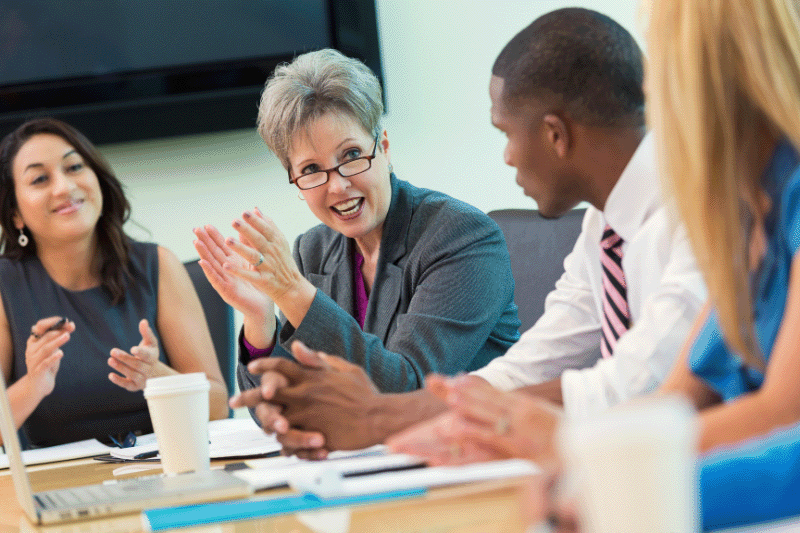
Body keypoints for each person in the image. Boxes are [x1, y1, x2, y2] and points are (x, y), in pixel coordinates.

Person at [229, 8, 706, 458]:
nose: (506, 157)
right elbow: (532, 364)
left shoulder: (702, 210)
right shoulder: (604, 227)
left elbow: (636, 381)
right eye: (311, 170)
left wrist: (381, 415)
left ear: (555, 135)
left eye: (504, 133)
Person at [414, 0, 800, 530]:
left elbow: (784, 418)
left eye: (663, 73)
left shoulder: (765, 200)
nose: (651, 101)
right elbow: (679, 395)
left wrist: (592, 458)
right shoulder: (756, 203)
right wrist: (575, 458)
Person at [192, 48, 521, 404]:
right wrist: (260, 317)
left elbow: (406, 390)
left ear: (384, 148)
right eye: (311, 170)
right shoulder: (313, 252)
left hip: (472, 448)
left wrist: (292, 292)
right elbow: (278, 408)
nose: (337, 186)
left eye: (350, 156)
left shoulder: (460, 237)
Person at [0, 118, 228, 448]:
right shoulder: (6, 285)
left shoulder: (159, 265)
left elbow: (219, 407)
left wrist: (157, 377)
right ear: (15, 214)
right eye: (39, 179)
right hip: (58, 487)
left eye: (74, 167)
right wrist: (34, 383)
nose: (64, 187)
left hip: (165, 468)